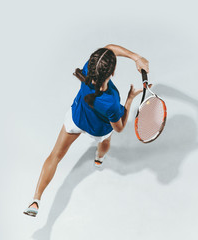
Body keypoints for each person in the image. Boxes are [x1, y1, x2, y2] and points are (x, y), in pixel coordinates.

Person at [24, 44, 149, 217]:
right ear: (112, 73)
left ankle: (35, 200)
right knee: (105, 143)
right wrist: (129, 98)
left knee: (55, 156)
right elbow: (119, 128)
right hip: (99, 129)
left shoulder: (87, 68)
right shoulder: (111, 102)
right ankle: (99, 159)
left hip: (77, 118)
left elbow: (109, 48)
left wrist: (136, 57)